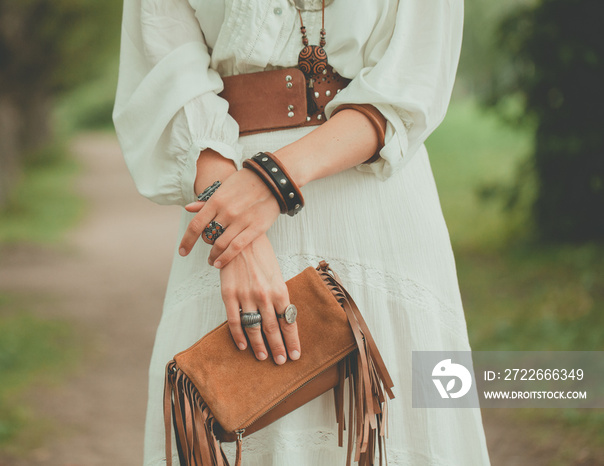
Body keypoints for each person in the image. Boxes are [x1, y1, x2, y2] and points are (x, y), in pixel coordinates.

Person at [113, 0, 491, 464]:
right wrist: (236, 237)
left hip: (374, 201)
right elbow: (166, 75)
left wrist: (269, 182)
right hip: (221, 194)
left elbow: (412, 77)